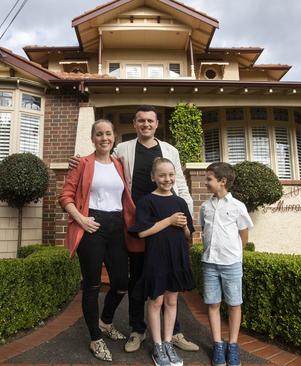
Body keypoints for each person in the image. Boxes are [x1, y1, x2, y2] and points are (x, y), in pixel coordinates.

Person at [69, 105, 198, 353]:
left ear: (157, 124)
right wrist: (76, 161)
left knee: (170, 282)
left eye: (150, 120)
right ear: (135, 124)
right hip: (137, 225)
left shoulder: (170, 150)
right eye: (141, 121)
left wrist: (188, 223)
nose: (146, 125)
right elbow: (100, 156)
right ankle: (137, 330)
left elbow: (180, 185)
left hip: (168, 226)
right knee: (138, 280)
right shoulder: (123, 149)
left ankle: (175, 333)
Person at [59, 119, 140, 362]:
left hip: (117, 227)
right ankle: (95, 338)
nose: (104, 138)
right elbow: (65, 196)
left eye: (108, 134)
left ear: (114, 137)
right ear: (92, 138)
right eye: (98, 134)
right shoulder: (82, 163)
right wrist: (81, 220)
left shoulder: (119, 164)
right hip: (91, 226)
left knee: (120, 283)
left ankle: (105, 322)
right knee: (93, 285)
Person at [129, 157, 196, 366]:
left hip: (176, 256)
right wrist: (168, 221)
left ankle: (168, 342)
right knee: (156, 301)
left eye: (170, 175)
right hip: (156, 258)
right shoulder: (146, 201)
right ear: (153, 177)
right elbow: (141, 233)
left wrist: (184, 226)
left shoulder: (180, 202)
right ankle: (157, 345)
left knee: (172, 301)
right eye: (162, 175)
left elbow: (187, 234)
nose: (167, 179)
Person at [199, 162, 254, 366]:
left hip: (231, 264)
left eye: (209, 179)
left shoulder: (238, 207)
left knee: (234, 304)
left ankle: (232, 345)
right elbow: (204, 229)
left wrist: (236, 256)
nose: (206, 183)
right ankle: (218, 345)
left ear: (222, 181)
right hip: (210, 263)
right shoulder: (205, 207)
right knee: (213, 304)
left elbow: (244, 234)